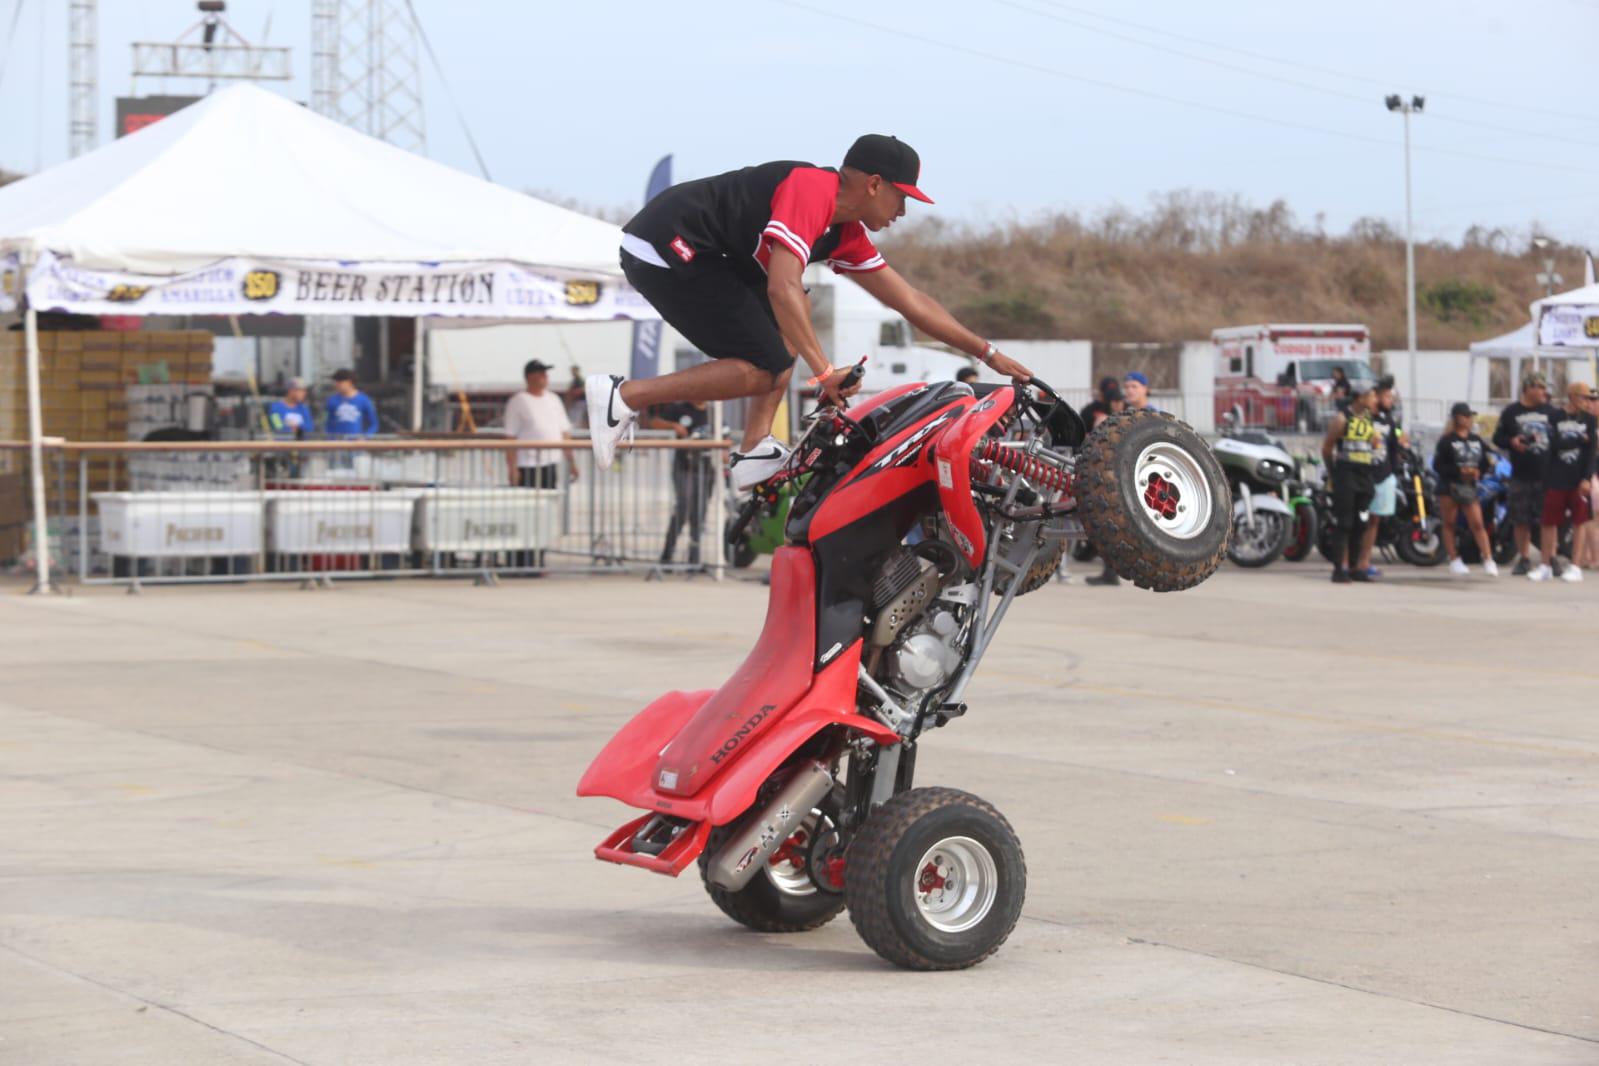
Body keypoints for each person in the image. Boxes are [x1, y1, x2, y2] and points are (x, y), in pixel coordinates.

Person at [587, 134, 1034, 488]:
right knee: (770, 357)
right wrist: (823, 372)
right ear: (874, 184)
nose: (903, 211)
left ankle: (752, 451)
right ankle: (622, 396)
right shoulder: (812, 188)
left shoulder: (845, 234)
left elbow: (911, 301)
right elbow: (779, 286)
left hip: (715, 254)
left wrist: (987, 353)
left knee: (794, 316)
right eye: (902, 198)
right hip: (666, 243)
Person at [1529, 381, 1596, 583]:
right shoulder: (1555, 417)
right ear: (1573, 396)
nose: (1587, 402)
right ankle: (1545, 565)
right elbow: (1552, 443)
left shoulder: (1590, 421)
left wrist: (1586, 478)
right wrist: (1576, 439)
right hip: (1556, 477)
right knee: (1549, 522)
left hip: (1578, 479)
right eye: (1584, 397)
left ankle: (1575, 566)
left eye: (1589, 398)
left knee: (1579, 522)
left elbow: (1591, 452)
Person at [1492, 372, 1556, 575]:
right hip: (1521, 473)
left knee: (1548, 519)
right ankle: (1524, 557)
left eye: (1545, 388)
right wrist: (1512, 441)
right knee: (1521, 519)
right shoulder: (1511, 412)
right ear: (1528, 388)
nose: (1543, 392)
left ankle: (1550, 558)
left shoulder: (1552, 413)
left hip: (1547, 474)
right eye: (1540, 387)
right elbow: (1498, 437)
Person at [1321, 380, 1381, 584]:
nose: (1375, 399)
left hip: (1364, 475)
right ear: (1360, 397)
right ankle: (1339, 568)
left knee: (1361, 522)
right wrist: (1333, 474)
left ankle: (1356, 567)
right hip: (1346, 475)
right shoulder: (1342, 418)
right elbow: (1327, 448)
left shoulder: (1368, 419)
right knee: (1344, 523)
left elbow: (1373, 444)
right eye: (1372, 395)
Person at [644, 400, 715, 567]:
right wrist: (672, 426)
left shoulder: (713, 414)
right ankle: (667, 555)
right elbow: (654, 422)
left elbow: (724, 439)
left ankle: (694, 558)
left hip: (706, 470)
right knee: (683, 508)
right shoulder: (679, 408)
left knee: (699, 513)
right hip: (684, 467)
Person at [1434, 402, 1498, 577]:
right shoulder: (1447, 440)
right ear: (1458, 418)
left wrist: (1479, 471)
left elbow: (1486, 461)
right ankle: (1454, 558)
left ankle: (1488, 558)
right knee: (1449, 523)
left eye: (1471, 416)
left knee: (1477, 522)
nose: (1470, 420)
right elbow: (1438, 465)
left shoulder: (1476, 440)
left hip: (1469, 486)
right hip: (1450, 486)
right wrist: (1458, 471)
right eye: (1467, 416)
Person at [1355, 375, 1406, 580]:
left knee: (1375, 521)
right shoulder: (1363, 418)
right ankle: (1351, 562)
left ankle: (1365, 562)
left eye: (1391, 396)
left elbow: (1394, 444)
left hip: (1383, 475)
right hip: (1364, 474)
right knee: (1359, 521)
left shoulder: (1388, 420)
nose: (1390, 400)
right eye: (1386, 395)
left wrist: (1394, 467)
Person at [504, 359, 579, 489]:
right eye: (541, 373)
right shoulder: (517, 402)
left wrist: (572, 462)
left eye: (545, 373)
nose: (546, 376)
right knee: (527, 505)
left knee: (548, 503)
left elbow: (564, 433)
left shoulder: (554, 399)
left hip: (550, 463)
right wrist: (512, 469)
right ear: (530, 376)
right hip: (527, 465)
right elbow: (510, 438)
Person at [325, 369, 379, 436]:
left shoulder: (364, 400)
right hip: (337, 443)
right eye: (336, 382)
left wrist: (366, 437)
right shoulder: (332, 400)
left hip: (356, 443)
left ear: (349, 382)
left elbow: (374, 424)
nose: (337, 385)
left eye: (340, 382)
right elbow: (328, 424)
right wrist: (330, 439)